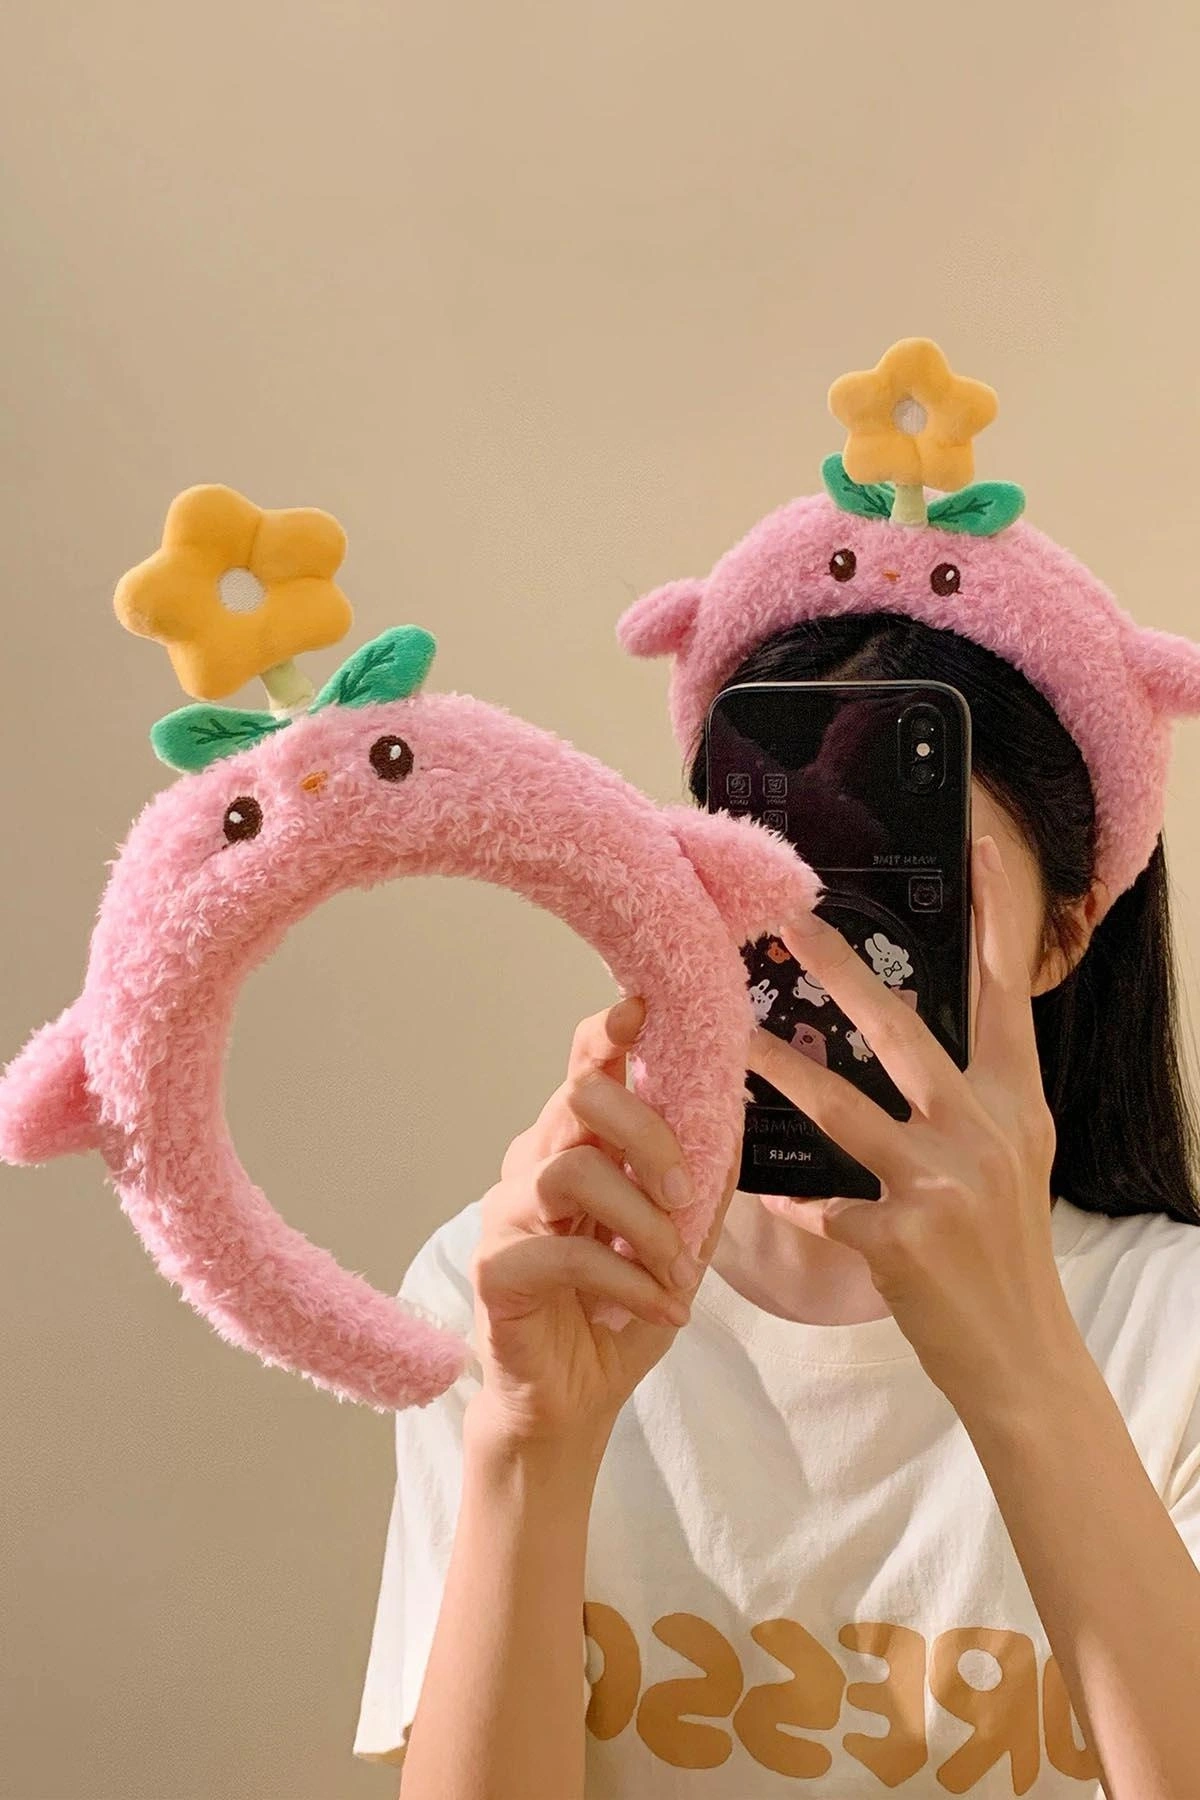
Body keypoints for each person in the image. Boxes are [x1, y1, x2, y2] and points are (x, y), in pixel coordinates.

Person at [354, 345, 1200, 1796]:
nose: (819, 961)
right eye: (766, 879)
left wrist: (1022, 1364)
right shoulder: (528, 1288)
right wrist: (526, 1447)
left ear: (1066, 937)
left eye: (901, 903)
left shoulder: (1173, 1337)